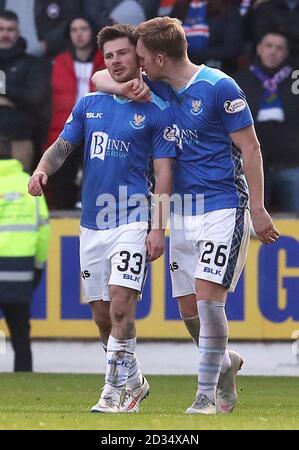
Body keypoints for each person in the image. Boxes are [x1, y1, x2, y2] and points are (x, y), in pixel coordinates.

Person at [92, 16, 280, 415]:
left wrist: (259, 209)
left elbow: (252, 148)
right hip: (181, 211)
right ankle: (225, 362)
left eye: (140, 57)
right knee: (189, 310)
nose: (136, 64)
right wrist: (124, 84)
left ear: (159, 57)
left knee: (211, 301)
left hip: (223, 206)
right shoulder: (155, 88)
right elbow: (97, 79)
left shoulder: (219, 87)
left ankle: (205, 395)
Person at [28, 24, 176, 413]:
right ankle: (135, 381)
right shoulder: (90, 103)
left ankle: (113, 393)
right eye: (108, 56)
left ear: (137, 56)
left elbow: (163, 176)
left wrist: (157, 228)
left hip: (131, 218)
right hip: (91, 223)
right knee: (101, 315)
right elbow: (63, 146)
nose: (115, 61)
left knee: (121, 305)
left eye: (122, 53)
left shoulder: (157, 110)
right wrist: (43, 169)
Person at [235, 31, 299, 212]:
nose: (273, 51)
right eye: (268, 46)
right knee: (252, 221)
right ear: (259, 49)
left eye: (279, 48)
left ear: (286, 53)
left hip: (292, 165)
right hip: (253, 165)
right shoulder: (240, 80)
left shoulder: (296, 80)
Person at [0, 135, 50, 372]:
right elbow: (43, 231)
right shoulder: (27, 183)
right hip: (21, 270)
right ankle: (24, 376)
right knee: (21, 335)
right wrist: (38, 267)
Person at [45, 15, 105, 210]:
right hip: (65, 128)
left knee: (95, 177)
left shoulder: (105, 61)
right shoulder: (58, 62)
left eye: (84, 29)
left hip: (97, 127)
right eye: (74, 29)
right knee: (62, 179)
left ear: (93, 32)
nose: (79, 34)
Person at [0, 10, 49, 173]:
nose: (5, 34)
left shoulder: (32, 63)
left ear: (18, 32)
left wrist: (3, 87)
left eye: (10, 29)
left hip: (19, 141)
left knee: (18, 196)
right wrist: (12, 97)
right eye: (1, 29)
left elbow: (34, 98)